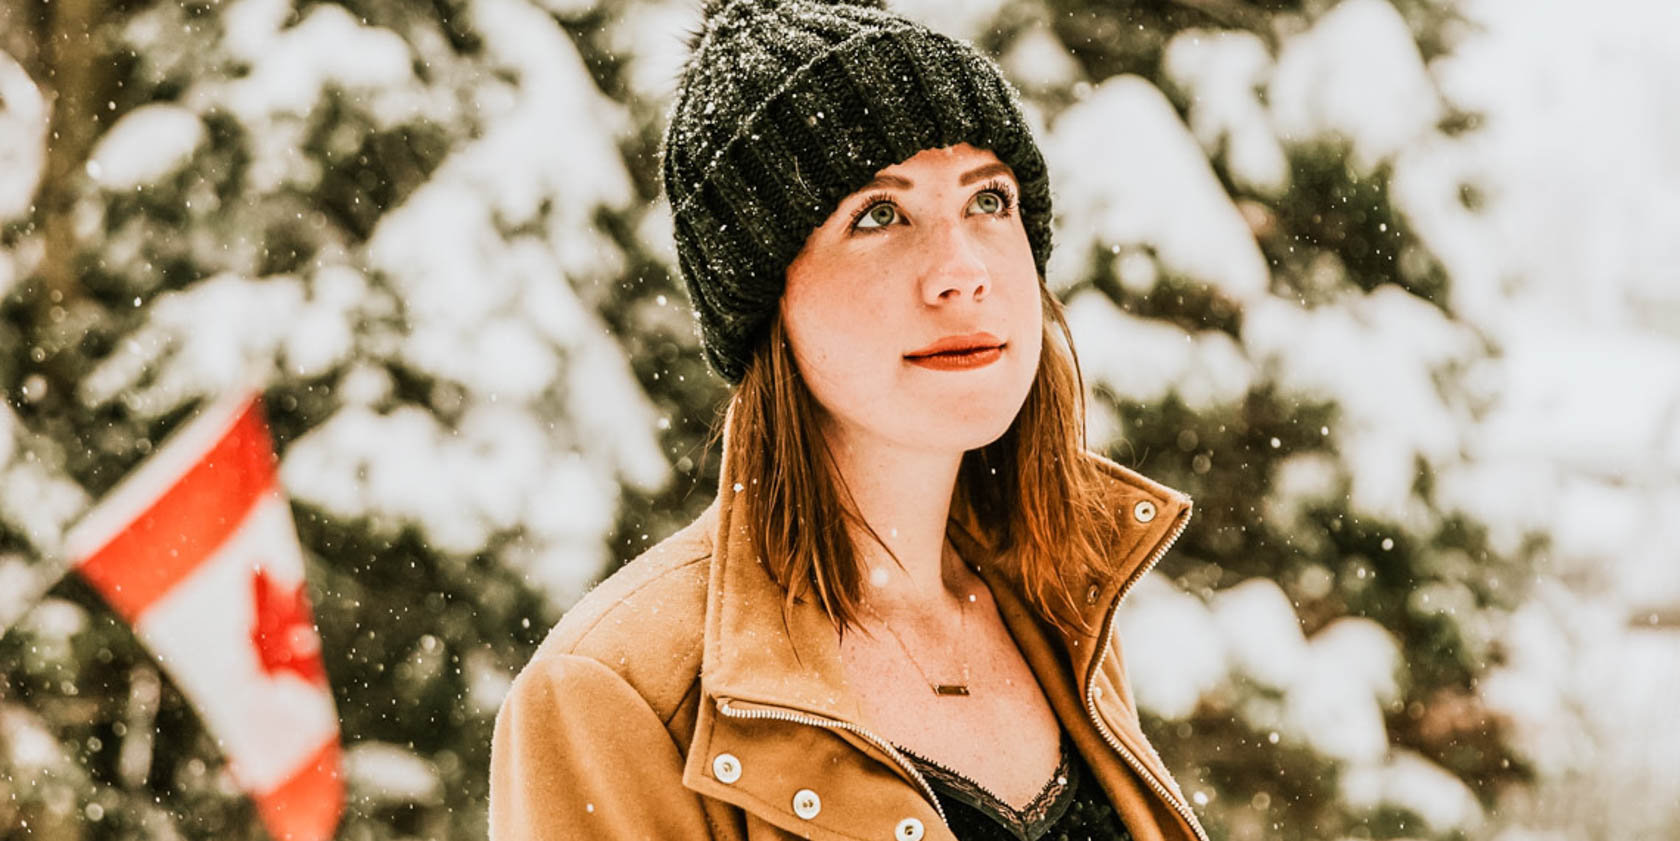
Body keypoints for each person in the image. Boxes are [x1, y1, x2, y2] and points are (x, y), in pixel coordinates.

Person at [489, 1, 1209, 839]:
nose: (962, 271)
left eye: (989, 200)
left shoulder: (1058, 604)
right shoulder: (617, 691)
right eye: (878, 213)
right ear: (766, 303)